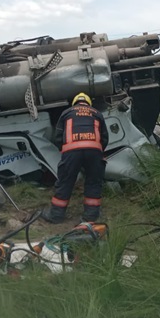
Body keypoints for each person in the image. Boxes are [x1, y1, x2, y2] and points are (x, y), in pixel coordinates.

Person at [40, 92, 109, 224]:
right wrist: (98, 152)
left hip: (72, 152)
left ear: (75, 103)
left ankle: (56, 215)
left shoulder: (66, 113)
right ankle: (91, 216)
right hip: (94, 151)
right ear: (88, 103)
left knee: (65, 181)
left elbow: (58, 137)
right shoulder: (96, 113)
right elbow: (104, 137)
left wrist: (64, 151)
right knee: (94, 181)